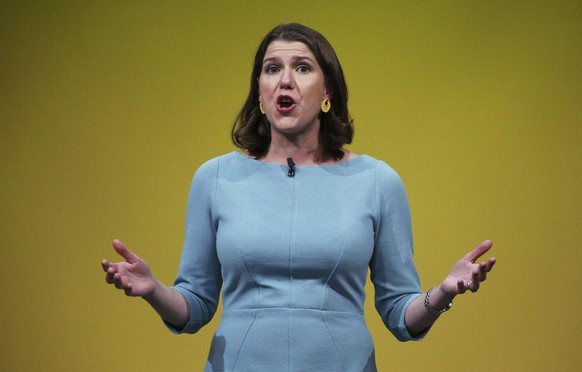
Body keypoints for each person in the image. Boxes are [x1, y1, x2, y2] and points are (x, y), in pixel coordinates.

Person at [101, 23, 496, 371]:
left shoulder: (377, 181)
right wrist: (154, 290)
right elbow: (195, 304)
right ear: (260, 91)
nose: (284, 80)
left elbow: (400, 313)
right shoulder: (215, 178)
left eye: (302, 67)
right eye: (272, 69)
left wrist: (442, 293)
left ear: (327, 91)